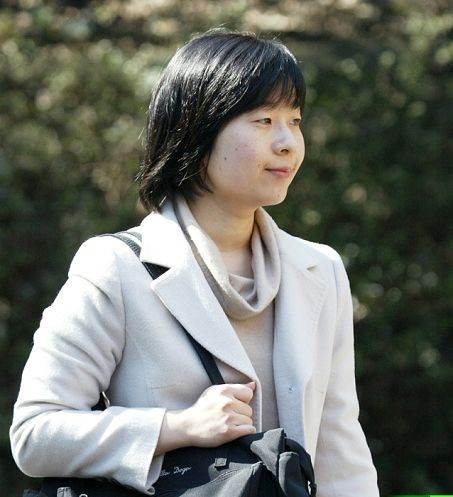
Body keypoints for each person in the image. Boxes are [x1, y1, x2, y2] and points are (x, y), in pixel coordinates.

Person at [9, 27, 380, 497]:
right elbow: (35, 434)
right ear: (197, 129)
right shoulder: (117, 267)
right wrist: (178, 426)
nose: (288, 142)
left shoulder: (320, 269)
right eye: (264, 120)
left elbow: (338, 448)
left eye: (295, 120)